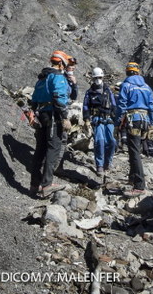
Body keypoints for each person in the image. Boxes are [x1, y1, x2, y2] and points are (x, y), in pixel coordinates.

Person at [29, 50, 72, 198]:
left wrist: (33, 114)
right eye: (64, 65)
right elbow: (59, 96)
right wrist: (64, 117)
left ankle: (34, 184)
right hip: (53, 115)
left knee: (40, 149)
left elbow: (33, 100)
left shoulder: (41, 78)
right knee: (53, 148)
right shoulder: (57, 77)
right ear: (60, 63)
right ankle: (47, 184)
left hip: (41, 115)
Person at [115, 62, 153, 197]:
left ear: (127, 72)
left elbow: (121, 105)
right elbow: (152, 107)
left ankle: (139, 185)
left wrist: (117, 122)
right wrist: (151, 124)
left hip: (133, 119)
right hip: (144, 120)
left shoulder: (126, 86)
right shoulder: (146, 87)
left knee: (134, 152)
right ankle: (132, 179)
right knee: (135, 150)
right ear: (138, 72)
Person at [82, 67, 116, 175]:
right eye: (96, 78)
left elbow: (114, 104)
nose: (98, 79)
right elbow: (85, 106)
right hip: (97, 119)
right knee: (99, 141)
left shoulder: (108, 91)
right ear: (93, 78)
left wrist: (116, 119)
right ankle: (100, 165)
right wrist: (87, 120)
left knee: (111, 142)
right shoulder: (89, 92)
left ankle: (108, 162)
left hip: (108, 118)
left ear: (103, 77)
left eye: (100, 77)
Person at [113, 82, 128, 151]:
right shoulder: (124, 96)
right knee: (123, 130)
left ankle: (115, 147)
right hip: (123, 115)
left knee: (115, 131)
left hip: (114, 115)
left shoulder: (112, 96)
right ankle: (123, 145)